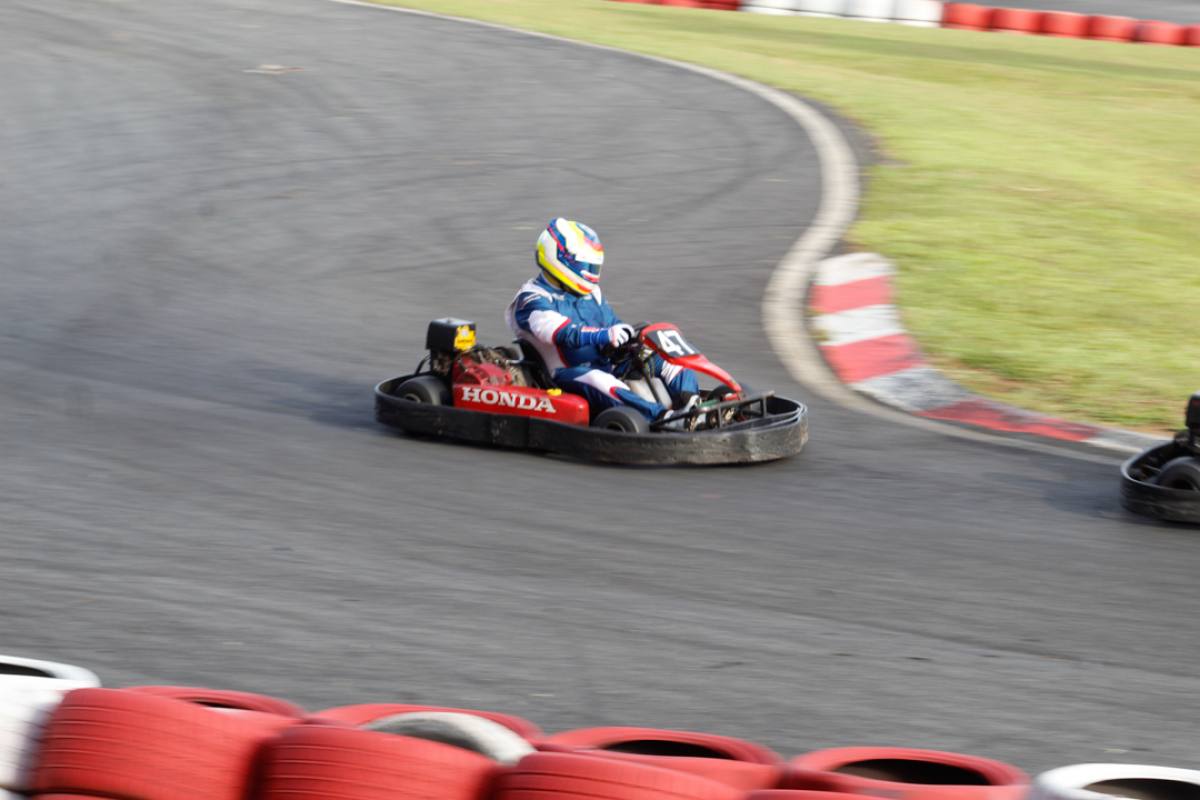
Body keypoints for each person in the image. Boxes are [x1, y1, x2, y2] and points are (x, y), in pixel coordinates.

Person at [506, 217, 699, 422]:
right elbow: (563, 333)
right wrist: (606, 335)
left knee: (663, 355)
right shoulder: (531, 299)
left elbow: (612, 324)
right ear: (560, 260)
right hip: (566, 375)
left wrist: (629, 338)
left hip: (606, 361)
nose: (590, 273)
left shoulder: (590, 293)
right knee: (598, 379)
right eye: (585, 265)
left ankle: (693, 406)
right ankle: (665, 419)